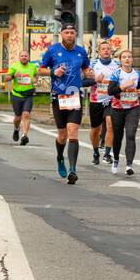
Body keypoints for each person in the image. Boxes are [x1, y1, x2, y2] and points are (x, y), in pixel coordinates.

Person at [40, 26, 93, 184]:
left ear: (75, 35)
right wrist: (53, 72)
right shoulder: (53, 50)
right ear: (61, 34)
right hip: (58, 97)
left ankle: (72, 169)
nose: (69, 35)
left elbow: (86, 69)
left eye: (72, 33)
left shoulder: (81, 51)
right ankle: (59, 157)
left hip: (75, 96)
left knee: (73, 131)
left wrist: (90, 74)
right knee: (62, 135)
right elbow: (40, 70)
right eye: (66, 33)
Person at [107, 50, 140, 175]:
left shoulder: (138, 74)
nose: (127, 59)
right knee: (118, 136)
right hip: (118, 108)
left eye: (129, 57)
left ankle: (129, 165)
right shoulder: (116, 73)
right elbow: (110, 91)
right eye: (124, 57)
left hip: (133, 107)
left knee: (131, 135)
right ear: (120, 60)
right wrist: (122, 87)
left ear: (132, 59)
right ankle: (116, 159)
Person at [88, 40, 116, 165]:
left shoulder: (117, 65)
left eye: (108, 48)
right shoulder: (93, 64)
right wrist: (95, 80)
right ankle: (95, 152)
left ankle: (107, 153)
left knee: (110, 125)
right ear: (99, 51)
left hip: (111, 101)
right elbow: (83, 82)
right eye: (103, 48)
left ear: (111, 51)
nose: (106, 50)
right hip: (96, 101)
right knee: (95, 130)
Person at [6, 50, 40, 145]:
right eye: (22, 56)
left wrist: (35, 79)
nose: (24, 57)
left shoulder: (33, 67)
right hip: (16, 95)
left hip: (28, 95)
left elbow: (36, 75)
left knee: (26, 114)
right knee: (18, 117)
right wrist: (13, 75)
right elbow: (6, 78)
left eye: (26, 56)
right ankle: (16, 129)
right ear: (19, 57)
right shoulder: (14, 66)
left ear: (28, 57)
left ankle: (24, 135)